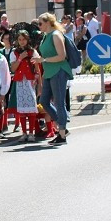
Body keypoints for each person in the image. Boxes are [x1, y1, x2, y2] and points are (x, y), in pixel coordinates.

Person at [36, 13, 72, 145]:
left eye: (40, 23)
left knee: (59, 102)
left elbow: (62, 56)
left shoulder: (56, 35)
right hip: (49, 72)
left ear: (48, 22)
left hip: (59, 71)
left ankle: (62, 135)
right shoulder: (46, 36)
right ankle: (62, 127)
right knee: (44, 101)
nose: (39, 26)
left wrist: (43, 60)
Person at [9, 31, 42, 142]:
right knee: (22, 109)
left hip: (30, 81)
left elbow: (37, 69)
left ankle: (31, 133)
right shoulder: (15, 52)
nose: (22, 42)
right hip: (19, 82)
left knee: (31, 108)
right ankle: (24, 133)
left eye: (24, 39)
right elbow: (13, 68)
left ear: (27, 40)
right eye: (20, 39)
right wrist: (20, 58)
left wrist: (39, 84)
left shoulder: (32, 52)